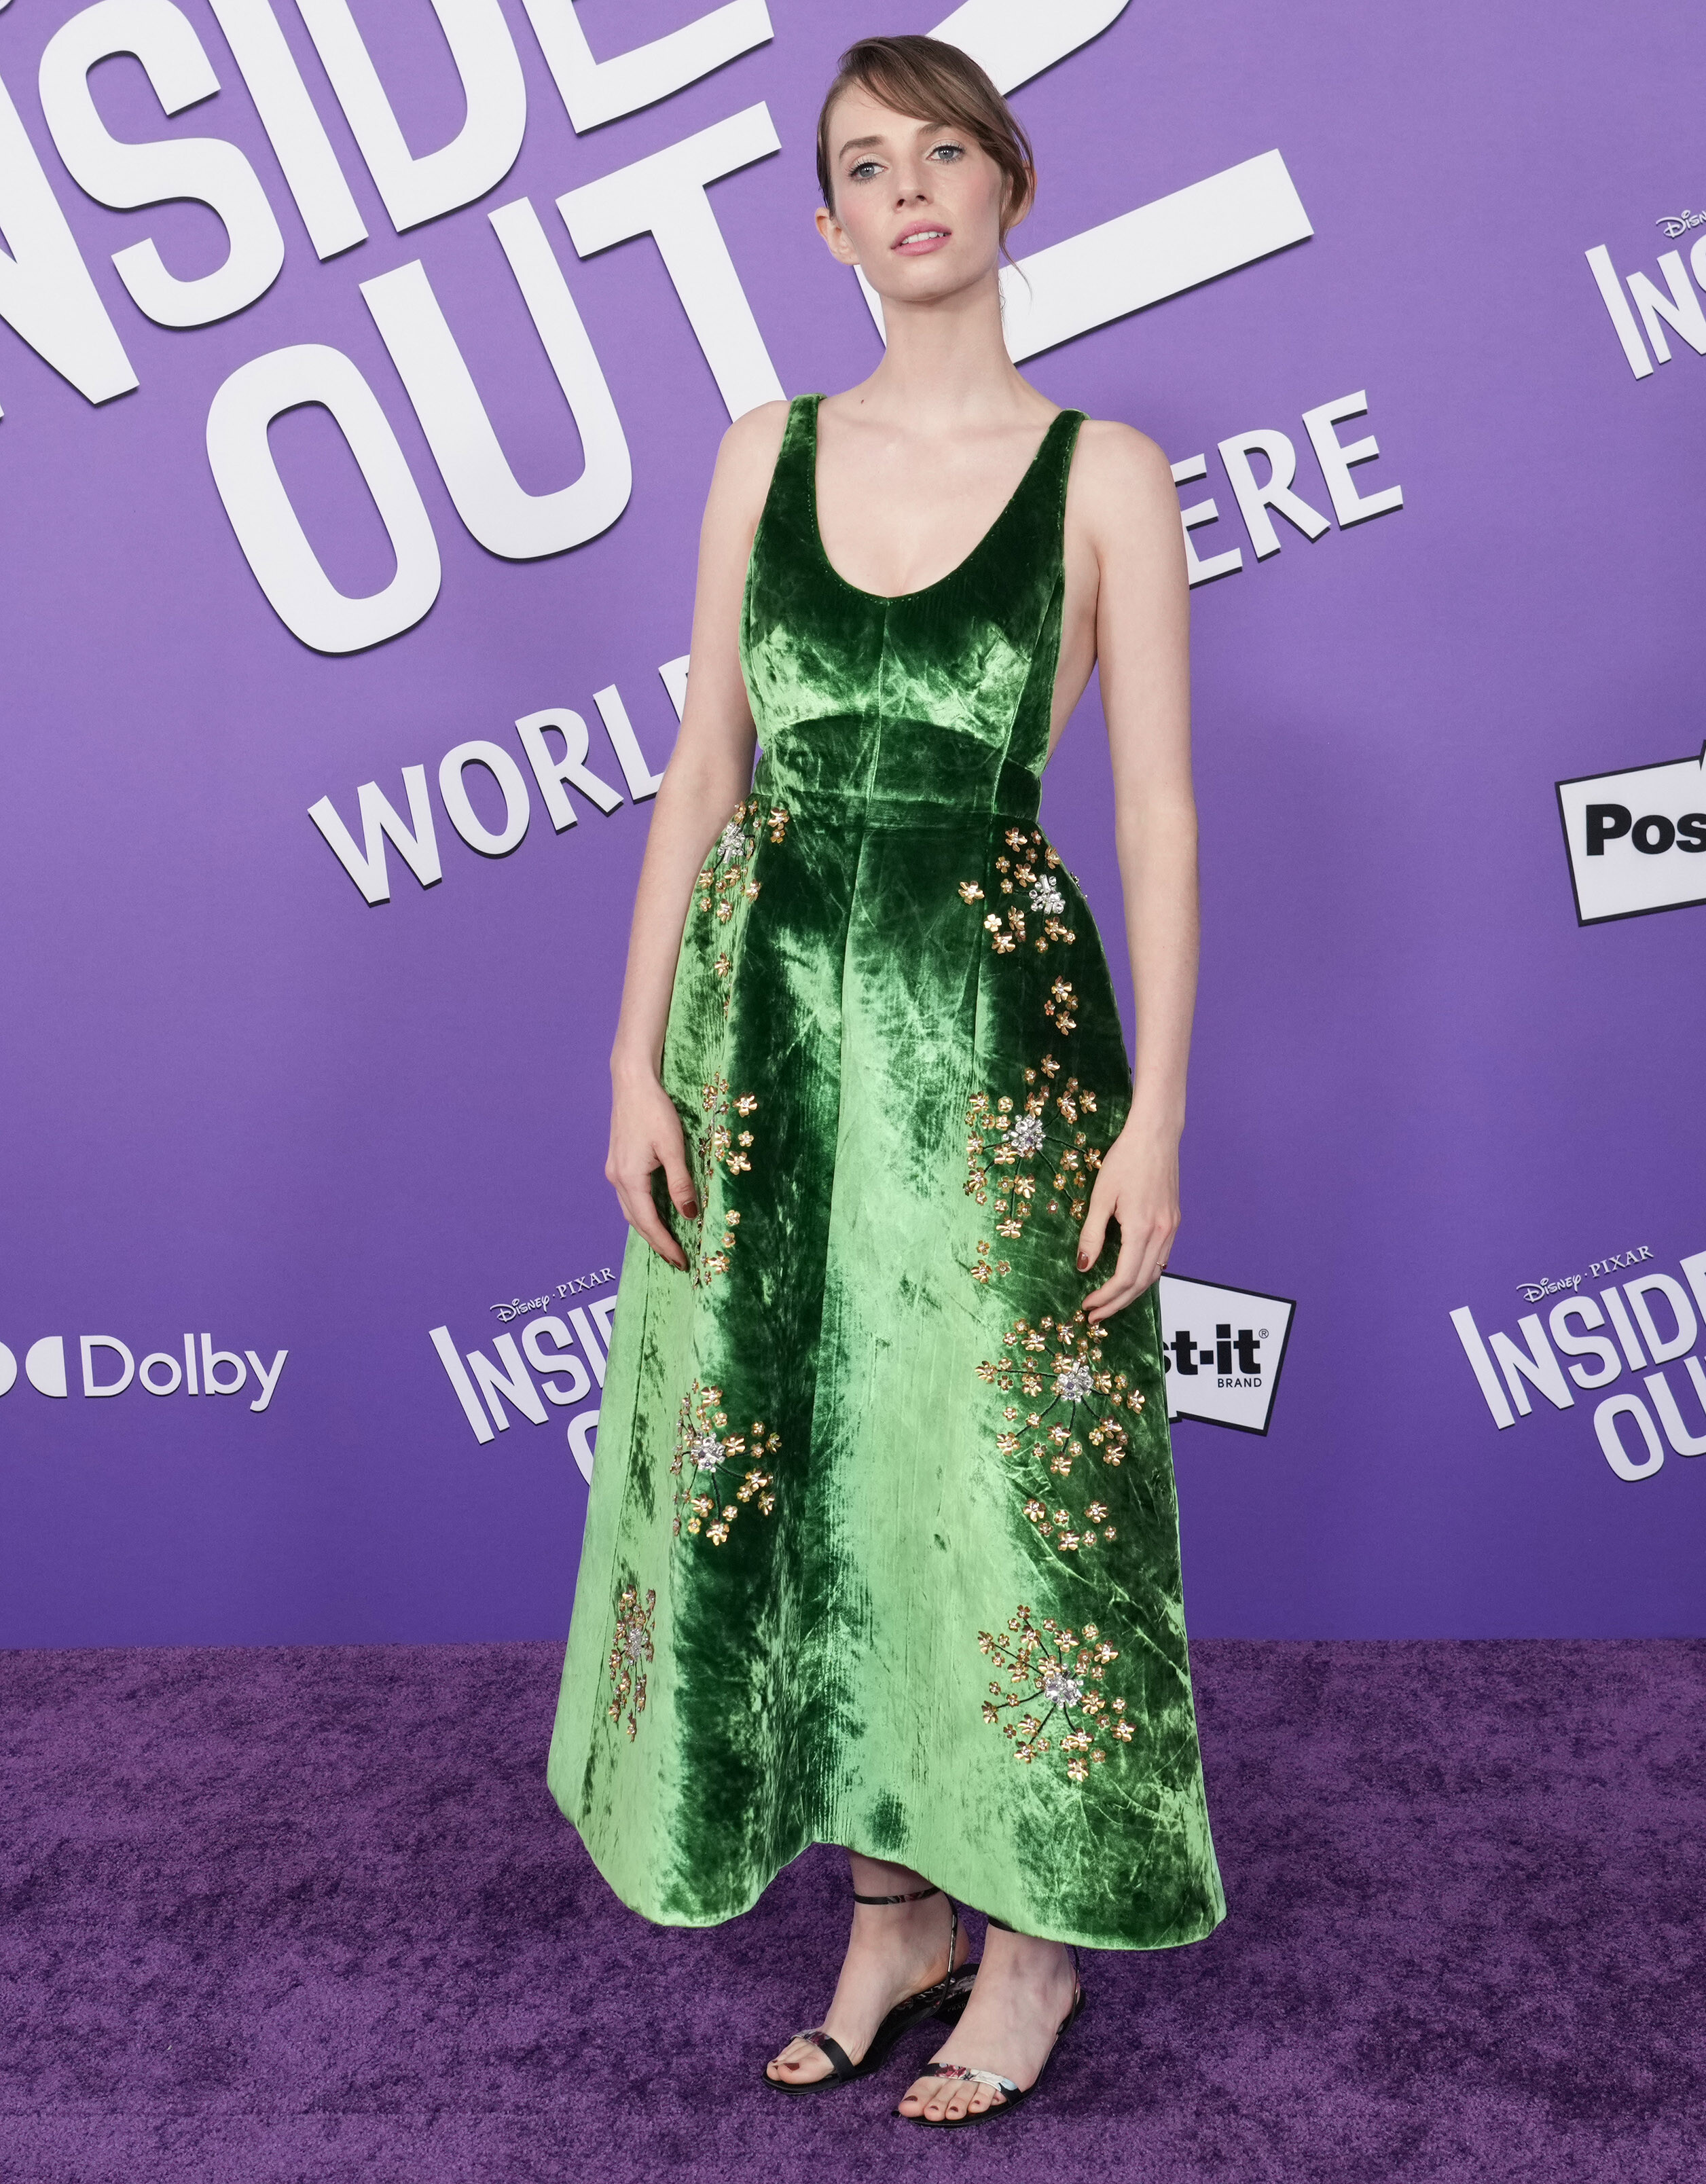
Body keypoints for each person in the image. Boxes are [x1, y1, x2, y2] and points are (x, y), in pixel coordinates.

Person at [547, 32, 1224, 2128]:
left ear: (1006, 184)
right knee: (804, 1468)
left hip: (998, 1043)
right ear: (826, 224)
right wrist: (633, 1057)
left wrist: (1155, 1115)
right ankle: (889, 1918)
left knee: (999, 1479)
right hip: (757, 1038)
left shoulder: (1105, 474)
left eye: (943, 149)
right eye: (863, 163)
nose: (908, 187)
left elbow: (1156, 811)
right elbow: (700, 772)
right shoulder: (758, 451)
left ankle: (1029, 1947)